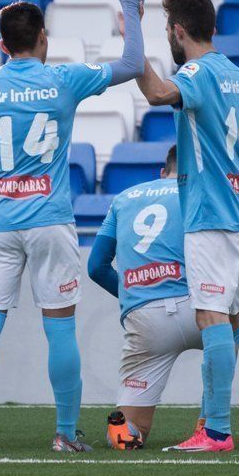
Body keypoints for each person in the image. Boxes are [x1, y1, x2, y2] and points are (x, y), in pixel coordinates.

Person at [0, 0, 155, 454]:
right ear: (43, 40)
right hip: (50, 221)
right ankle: (64, 432)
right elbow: (134, 63)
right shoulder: (64, 78)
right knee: (59, 326)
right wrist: (130, 7)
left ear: (1, 45)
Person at [134, 0, 239, 452]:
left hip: (211, 216)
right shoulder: (237, 75)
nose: (167, 36)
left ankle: (216, 430)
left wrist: (132, 37)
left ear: (178, 31)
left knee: (210, 316)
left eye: (165, 29)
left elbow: (158, 92)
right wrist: (232, 172)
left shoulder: (196, 73)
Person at [88, 145, 206, 450]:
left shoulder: (123, 198)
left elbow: (96, 267)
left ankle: (124, 430)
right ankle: (211, 423)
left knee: (134, 426)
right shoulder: (200, 191)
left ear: (162, 171)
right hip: (198, 309)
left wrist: (135, 294)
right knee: (234, 332)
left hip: (146, 320)